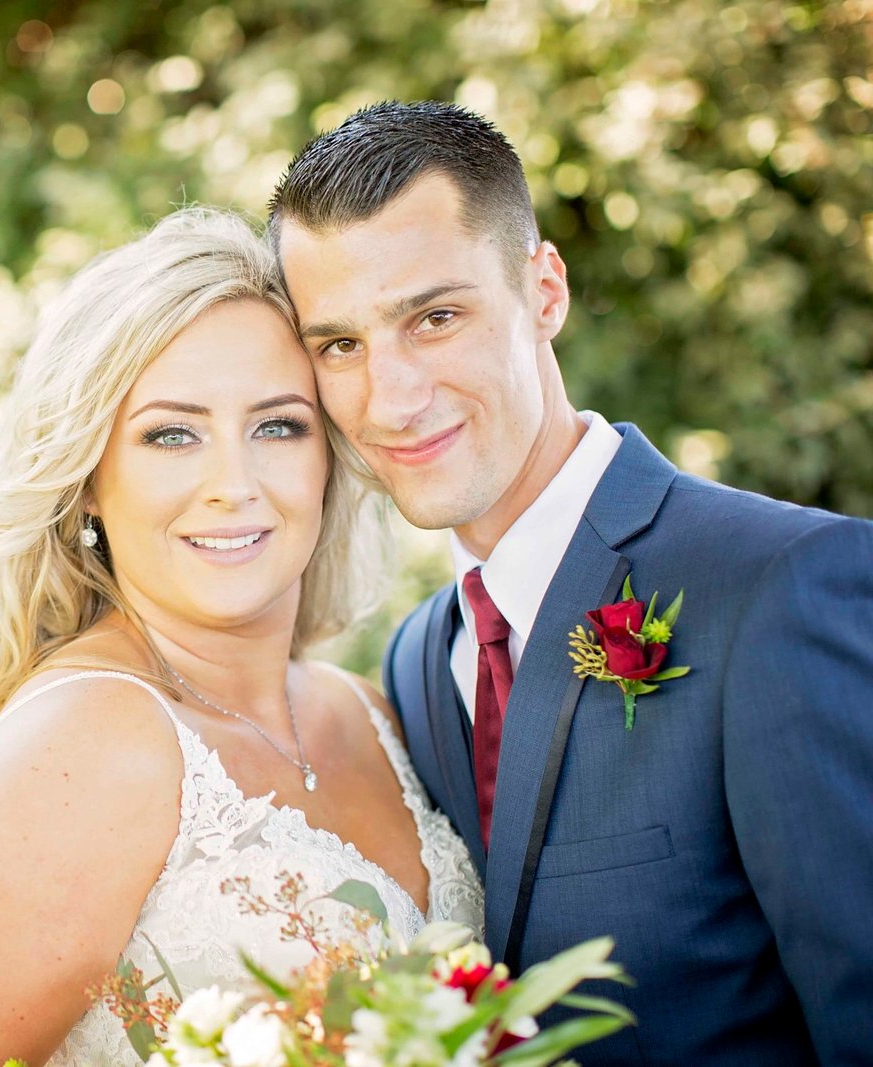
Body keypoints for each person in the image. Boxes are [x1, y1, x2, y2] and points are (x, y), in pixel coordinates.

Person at [269, 100, 873, 1065]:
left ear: (544, 290)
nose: (390, 395)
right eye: (340, 343)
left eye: (434, 318)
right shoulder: (424, 657)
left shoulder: (782, 586)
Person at [0, 208, 481, 1066]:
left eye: (278, 425)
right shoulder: (86, 739)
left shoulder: (372, 713)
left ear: (331, 453)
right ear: (90, 477)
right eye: (172, 434)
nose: (233, 485)